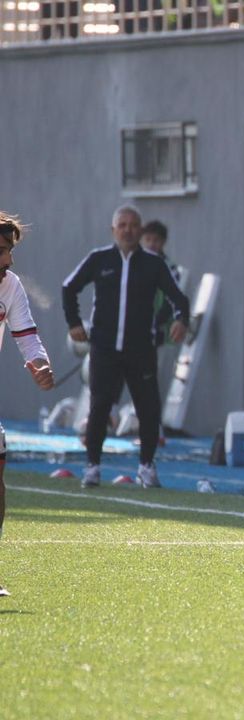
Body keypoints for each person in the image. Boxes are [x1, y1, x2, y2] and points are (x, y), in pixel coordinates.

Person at [63, 205, 189, 489]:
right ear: (113, 230)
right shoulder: (99, 259)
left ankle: (146, 466)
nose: (128, 230)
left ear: (140, 230)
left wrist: (181, 320)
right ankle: (92, 466)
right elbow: (69, 287)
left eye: (133, 225)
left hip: (140, 348)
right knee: (99, 406)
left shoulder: (154, 264)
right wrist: (74, 323)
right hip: (104, 347)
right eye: (122, 225)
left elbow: (178, 298)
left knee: (148, 409)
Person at [0, 212, 56, 597]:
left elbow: (27, 336)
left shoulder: (10, 285)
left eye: (10, 250)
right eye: (3, 250)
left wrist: (40, 362)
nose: (9, 259)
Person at [140, 220, 182, 349]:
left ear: (163, 242)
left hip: (159, 326)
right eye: (148, 239)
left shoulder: (170, 269)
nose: (151, 244)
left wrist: (155, 322)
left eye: (156, 240)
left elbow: (171, 301)